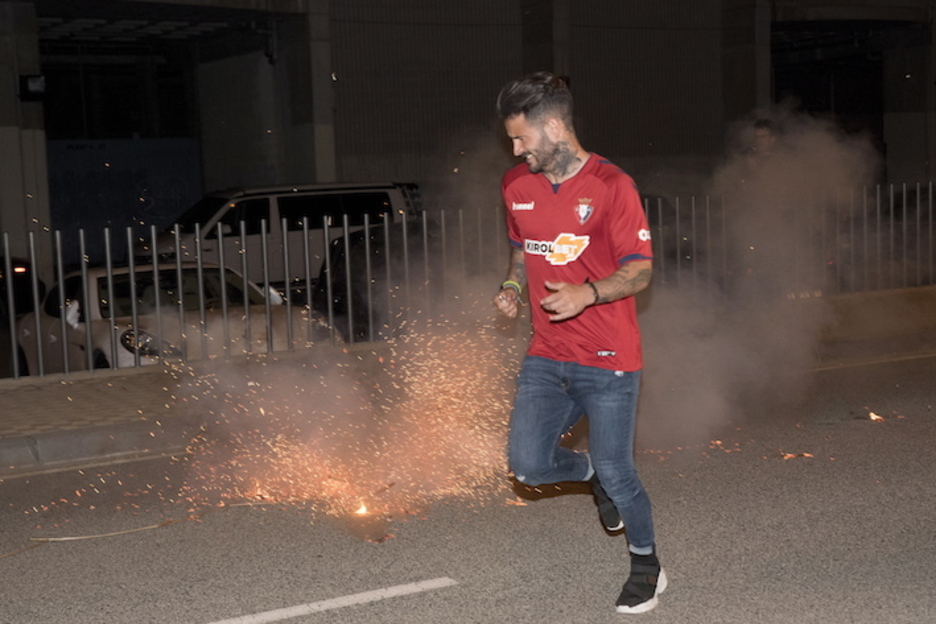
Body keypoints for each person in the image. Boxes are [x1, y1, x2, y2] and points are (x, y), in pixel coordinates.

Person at [492, 72, 665, 615]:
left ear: (554, 125)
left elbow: (639, 272)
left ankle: (647, 566)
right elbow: (522, 252)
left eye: (522, 139)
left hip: (609, 359)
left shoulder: (613, 186)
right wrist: (512, 287)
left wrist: (587, 294)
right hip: (547, 355)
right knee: (527, 466)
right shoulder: (516, 187)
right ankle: (589, 476)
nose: (517, 151)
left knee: (621, 470)